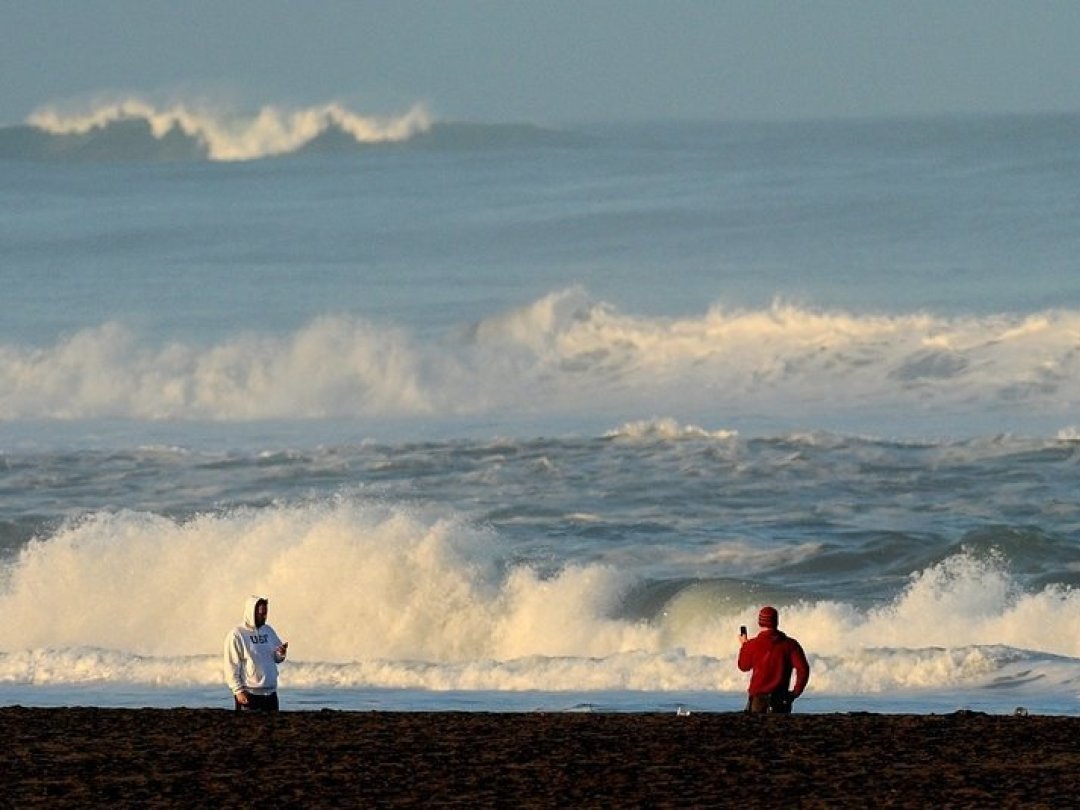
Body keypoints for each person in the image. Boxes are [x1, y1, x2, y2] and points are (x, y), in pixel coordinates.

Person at [737, 605, 810, 714]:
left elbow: (743, 666)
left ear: (760, 623)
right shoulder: (790, 644)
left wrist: (744, 646)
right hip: (781, 699)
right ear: (776, 622)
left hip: (758, 699)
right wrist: (795, 693)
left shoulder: (752, 645)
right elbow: (803, 670)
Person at [224, 595, 288, 712]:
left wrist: (281, 653)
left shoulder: (268, 630)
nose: (264, 617)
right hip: (249, 693)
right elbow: (231, 665)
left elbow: (277, 658)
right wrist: (238, 691)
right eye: (261, 613)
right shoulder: (237, 634)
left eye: (265, 613)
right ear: (251, 612)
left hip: (270, 693)